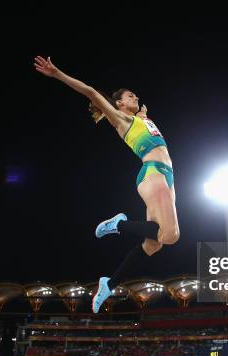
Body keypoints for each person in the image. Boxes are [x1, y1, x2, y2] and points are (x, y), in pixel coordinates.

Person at [33, 56, 180, 313]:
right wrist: (57, 73)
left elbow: (144, 115)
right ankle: (118, 224)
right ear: (119, 103)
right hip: (152, 173)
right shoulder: (120, 119)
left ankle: (109, 283)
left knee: (154, 243)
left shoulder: (143, 116)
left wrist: (143, 112)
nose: (136, 97)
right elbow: (90, 91)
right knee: (170, 235)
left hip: (168, 175)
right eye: (130, 96)